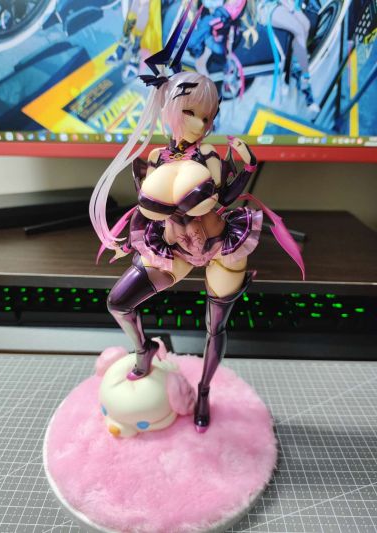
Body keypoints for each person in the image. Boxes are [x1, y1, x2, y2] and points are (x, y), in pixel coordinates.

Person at [90, 4, 304, 433]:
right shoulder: (152, 159)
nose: (202, 123)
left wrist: (245, 168)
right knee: (118, 302)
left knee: (215, 327)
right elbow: (149, 207)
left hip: (220, 246)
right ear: (170, 107)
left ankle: (204, 390)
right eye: (192, 112)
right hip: (173, 247)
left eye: (208, 115)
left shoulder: (210, 155)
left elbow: (226, 197)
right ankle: (143, 350)